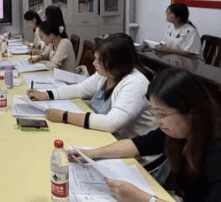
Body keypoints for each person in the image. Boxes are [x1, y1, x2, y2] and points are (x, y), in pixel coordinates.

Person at [67, 68, 221, 202]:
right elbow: (139, 144)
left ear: (191, 111)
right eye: (155, 113)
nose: (158, 120)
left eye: (162, 114)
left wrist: (144, 200)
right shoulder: (180, 131)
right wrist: (91, 154)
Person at [27, 34, 157, 139]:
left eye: (98, 61)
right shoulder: (107, 73)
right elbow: (79, 89)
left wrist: (64, 116)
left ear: (115, 63)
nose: (94, 63)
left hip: (134, 149)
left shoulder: (135, 83)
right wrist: (45, 95)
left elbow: (112, 123)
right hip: (106, 135)